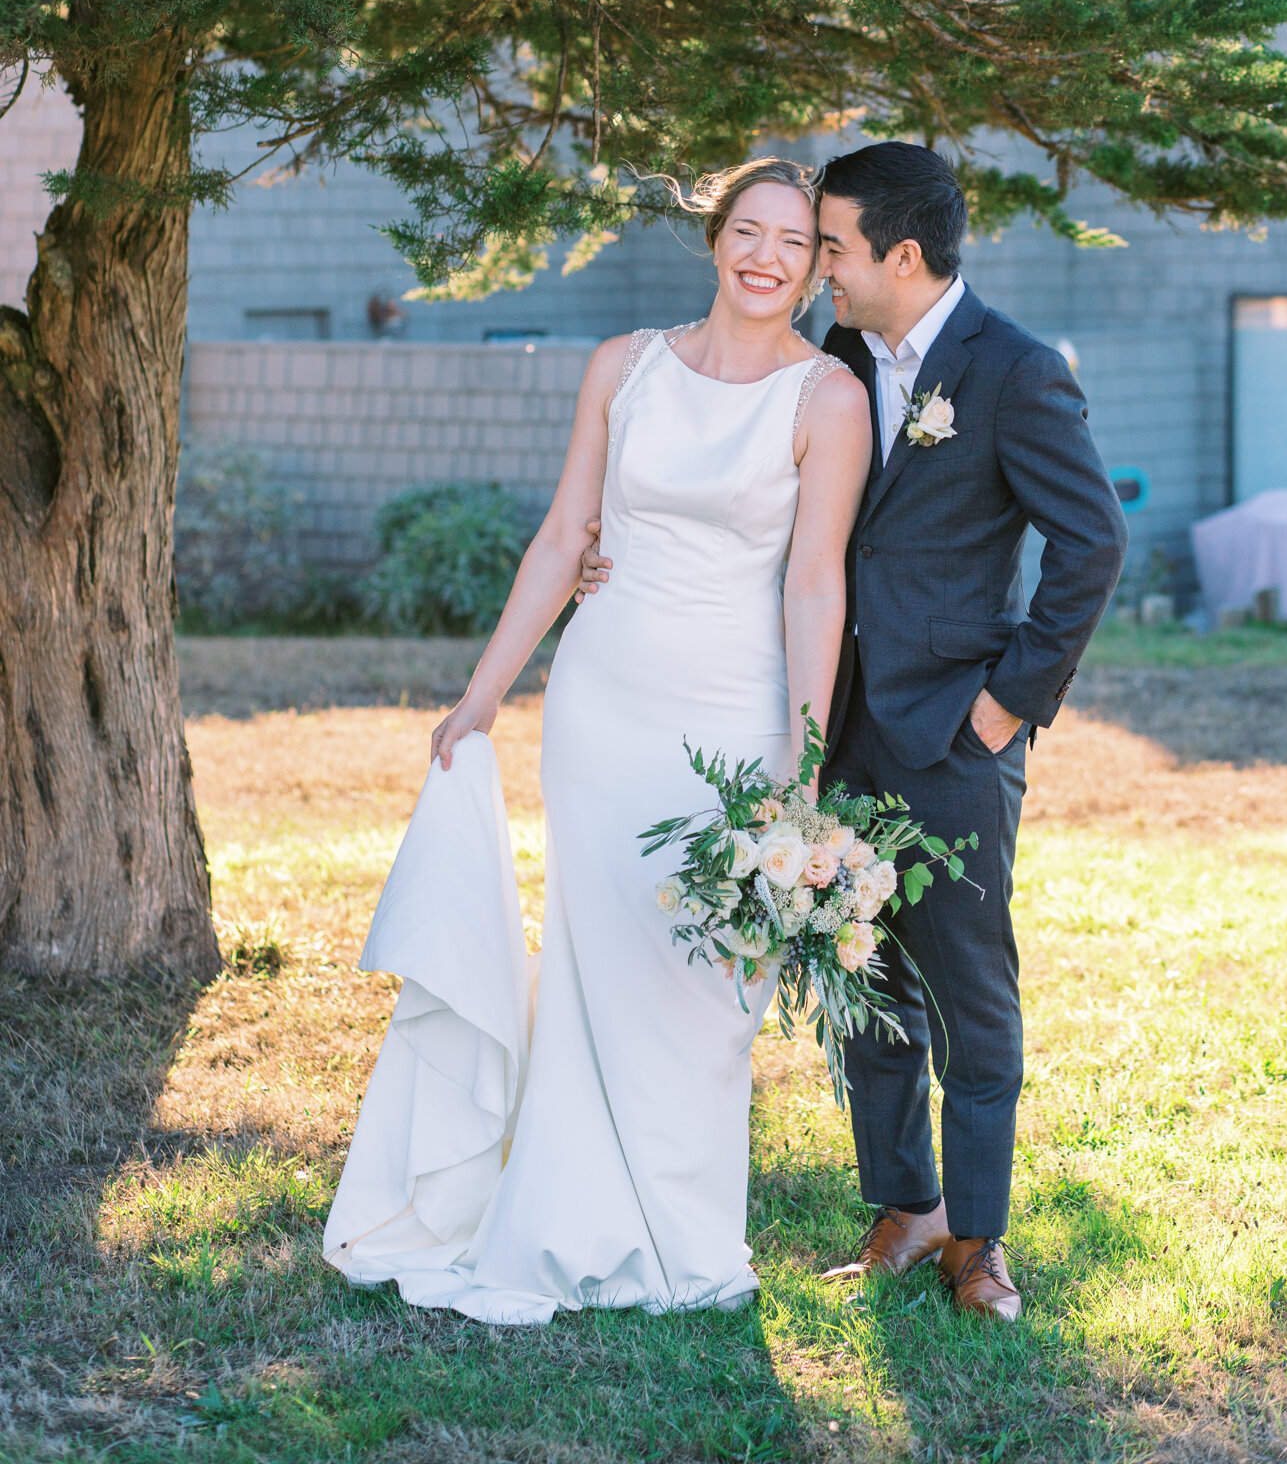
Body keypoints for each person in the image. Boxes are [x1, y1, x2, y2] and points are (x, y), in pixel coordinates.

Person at [580, 141, 1128, 1324]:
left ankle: (977, 1240)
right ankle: (903, 1205)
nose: (814, 265)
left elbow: (1092, 545)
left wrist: (1006, 704)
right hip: (833, 725)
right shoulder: (830, 359)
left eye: (830, 245)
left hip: (954, 734)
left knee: (971, 993)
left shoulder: (1015, 373)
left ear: (902, 254)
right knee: (865, 981)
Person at [323, 155, 872, 1325]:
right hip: (601, 701)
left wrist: (805, 757)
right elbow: (565, 533)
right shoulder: (622, 366)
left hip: (732, 713)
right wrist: (482, 695)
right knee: (590, 963)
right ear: (714, 235)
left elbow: (815, 585)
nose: (766, 255)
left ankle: (683, 1231)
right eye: (748, 229)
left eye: (794, 241)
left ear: (819, 265)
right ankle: (567, 1209)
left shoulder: (826, 399)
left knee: (703, 984)